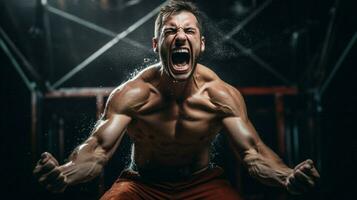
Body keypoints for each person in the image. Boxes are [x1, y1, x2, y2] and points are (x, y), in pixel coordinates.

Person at [33, 1, 320, 199]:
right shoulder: (133, 94)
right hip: (142, 186)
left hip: (202, 183)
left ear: (201, 44)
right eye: (170, 31)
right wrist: (65, 174)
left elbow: (253, 153)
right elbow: (96, 151)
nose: (180, 37)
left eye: (189, 31)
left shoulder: (220, 95)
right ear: (157, 45)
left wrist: (286, 176)